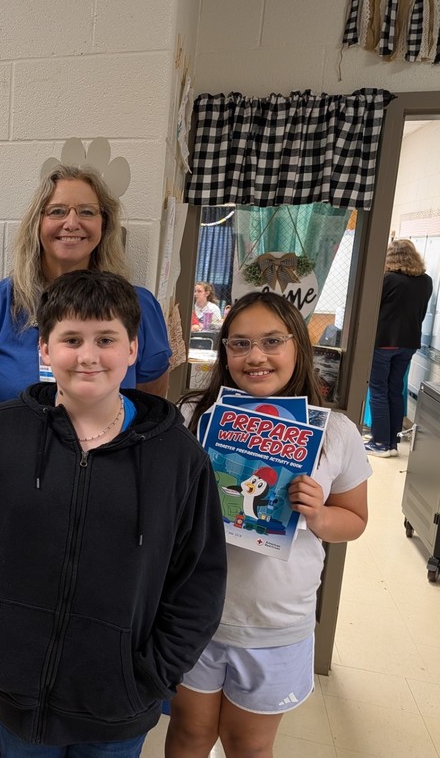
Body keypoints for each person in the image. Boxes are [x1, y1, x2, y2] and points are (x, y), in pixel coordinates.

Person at [0, 269, 227, 758]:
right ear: (44, 351)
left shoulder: (177, 457)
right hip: (16, 696)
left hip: (121, 702)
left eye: (106, 339)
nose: (88, 355)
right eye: (71, 339)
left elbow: (199, 579)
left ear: (132, 350)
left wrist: (151, 674)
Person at [166, 291, 371, 758]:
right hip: (193, 614)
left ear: (299, 346)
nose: (255, 356)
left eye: (272, 341)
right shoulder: (193, 416)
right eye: (239, 344)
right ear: (224, 353)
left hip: (274, 622)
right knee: (188, 734)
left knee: (249, 746)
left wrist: (318, 514)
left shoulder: (335, 432)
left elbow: (354, 520)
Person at [0, 163, 171, 433]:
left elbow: (150, 416)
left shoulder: (139, 308)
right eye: (57, 211)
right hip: (10, 468)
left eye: (87, 212)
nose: (72, 223)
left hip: (110, 469)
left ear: (104, 223)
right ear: (37, 223)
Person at [366, 238, 433, 457]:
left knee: (378, 390)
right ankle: (392, 442)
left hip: (384, 342)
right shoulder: (426, 281)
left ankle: (380, 443)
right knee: (395, 389)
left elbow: (373, 309)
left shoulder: (387, 279)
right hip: (409, 343)